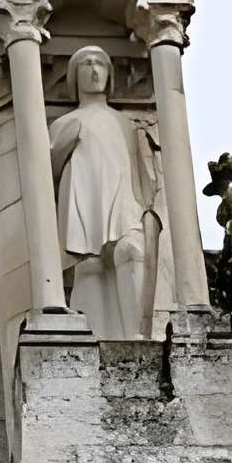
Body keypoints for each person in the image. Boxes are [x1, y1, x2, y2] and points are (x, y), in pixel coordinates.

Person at [47, 43, 157, 338]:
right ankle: (95, 333)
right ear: (74, 77)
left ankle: (137, 333)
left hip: (123, 195)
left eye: (100, 64)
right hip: (84, 193)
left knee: (130, 251)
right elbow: (47, 167)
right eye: (87, 64)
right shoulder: (66, 123)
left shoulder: (124, 121)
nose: (94, 70)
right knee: (89, 265)